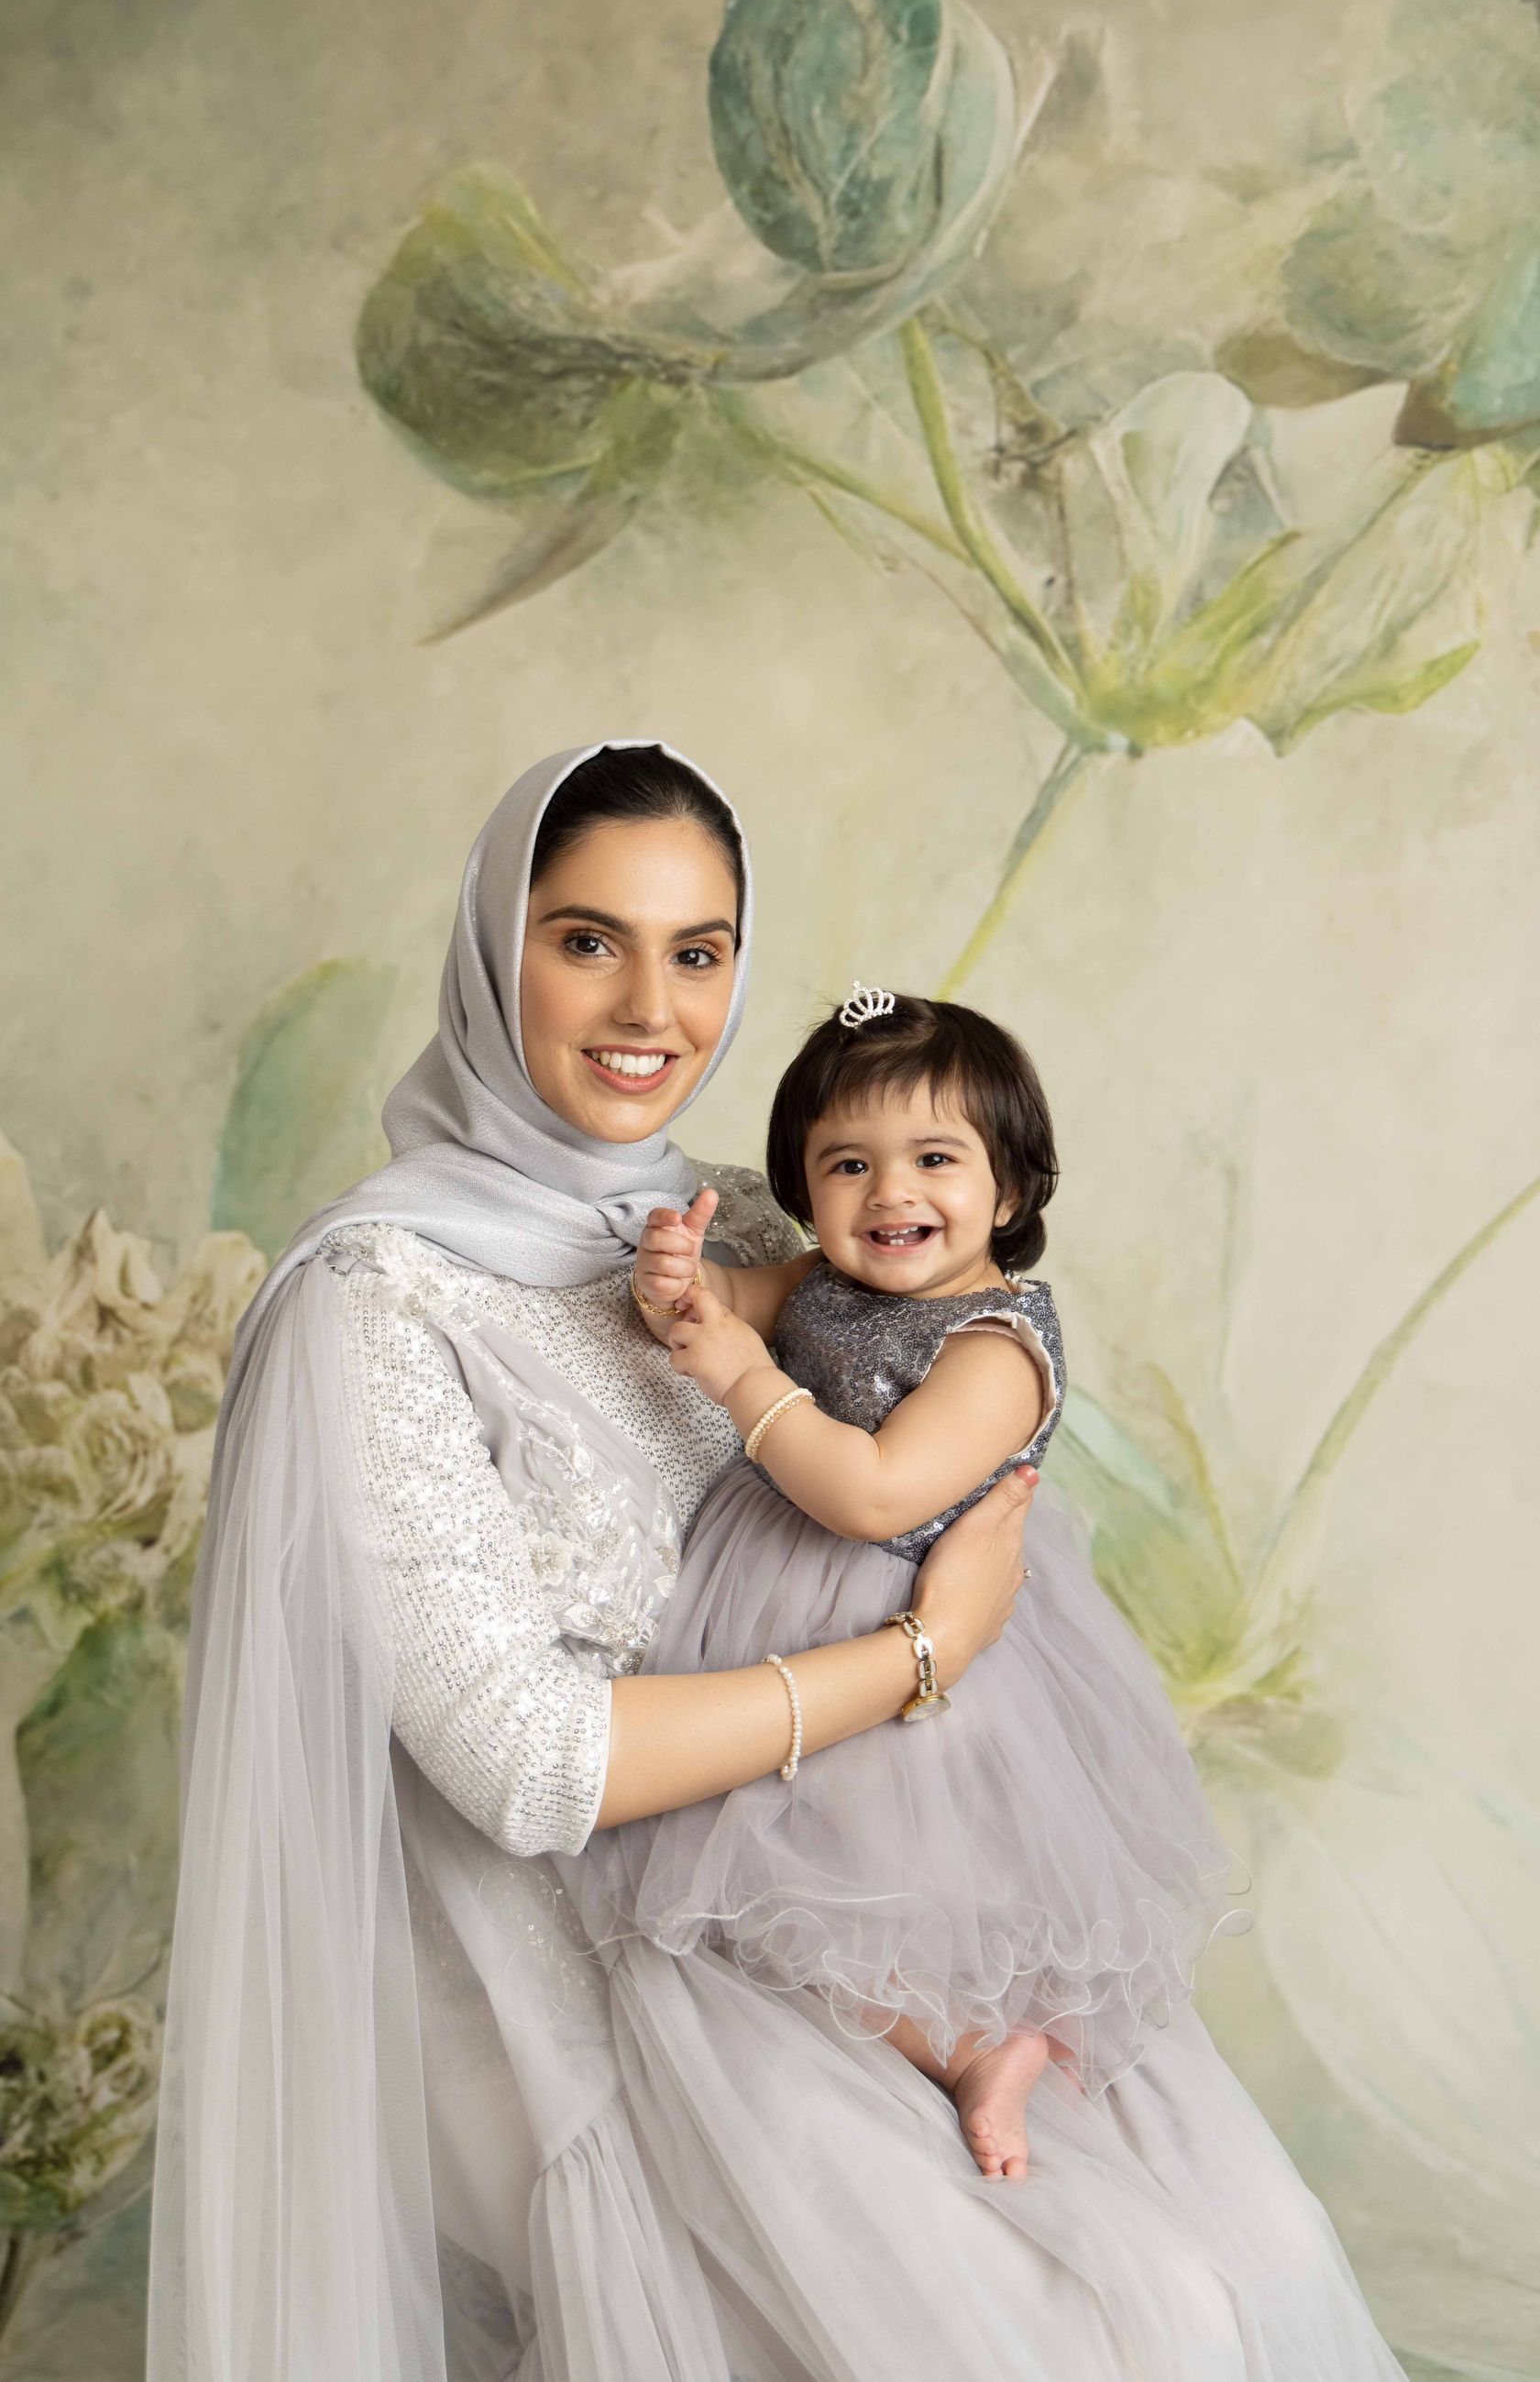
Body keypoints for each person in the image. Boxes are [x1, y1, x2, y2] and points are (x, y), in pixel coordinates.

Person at [146, 737, 1406, 2380]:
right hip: (605, 1972)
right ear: (489, 947)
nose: (647, 1010)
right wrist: (921, 1657)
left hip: (888, 1885)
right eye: (586, 939)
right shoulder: (378, 1301)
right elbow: (531, 1767)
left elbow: (952, 1450)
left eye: (699, 952)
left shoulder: (755, 1221)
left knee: (1230, 2261)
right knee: (1043, 2332)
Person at [570, 992, 1245, 2184]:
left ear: (1012, 1189)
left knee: (852, 1889)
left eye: (934, 1158)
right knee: (753, 1876)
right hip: (780, 1608)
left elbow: (876, 1494)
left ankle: (979, 2043)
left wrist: (737, 1378)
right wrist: (681, 1287)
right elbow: (727, 1309)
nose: (891, 1195)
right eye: (848, 1165)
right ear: (805, 1188)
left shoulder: (994, 1350)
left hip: (904, 1622)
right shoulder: (827, 1283)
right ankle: (894, 2053)